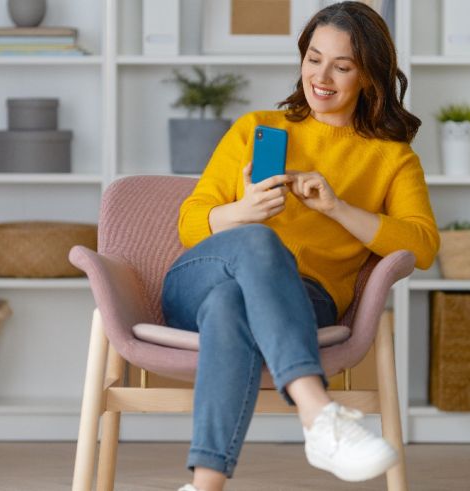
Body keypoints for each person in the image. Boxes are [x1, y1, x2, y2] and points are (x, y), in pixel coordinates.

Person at [162, 3, 439, 490]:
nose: (322, 75)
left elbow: (422, 246)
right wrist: (239, 214)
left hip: (303, 299)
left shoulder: (393, 159)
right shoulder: (256, 128)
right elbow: (189, 221)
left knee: (233, 305)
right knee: (256, 243)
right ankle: (318, 413)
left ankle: (203, 487)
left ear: (368, 77)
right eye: (314, 58)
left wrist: (337, 208)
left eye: (342, 65)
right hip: (201, 278)